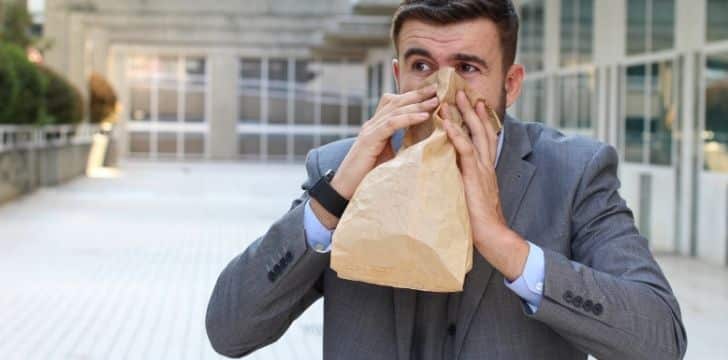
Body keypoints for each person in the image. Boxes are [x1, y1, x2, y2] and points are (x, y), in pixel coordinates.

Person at [205, 1, 687, 359]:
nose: (442, 88)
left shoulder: (574, 173)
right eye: (422, 66)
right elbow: (230, 331)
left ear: (511, 84)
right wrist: (331, 200)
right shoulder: (342, 168)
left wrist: (505, 244)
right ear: (397, 76)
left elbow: (660, 338)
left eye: (468, 68)